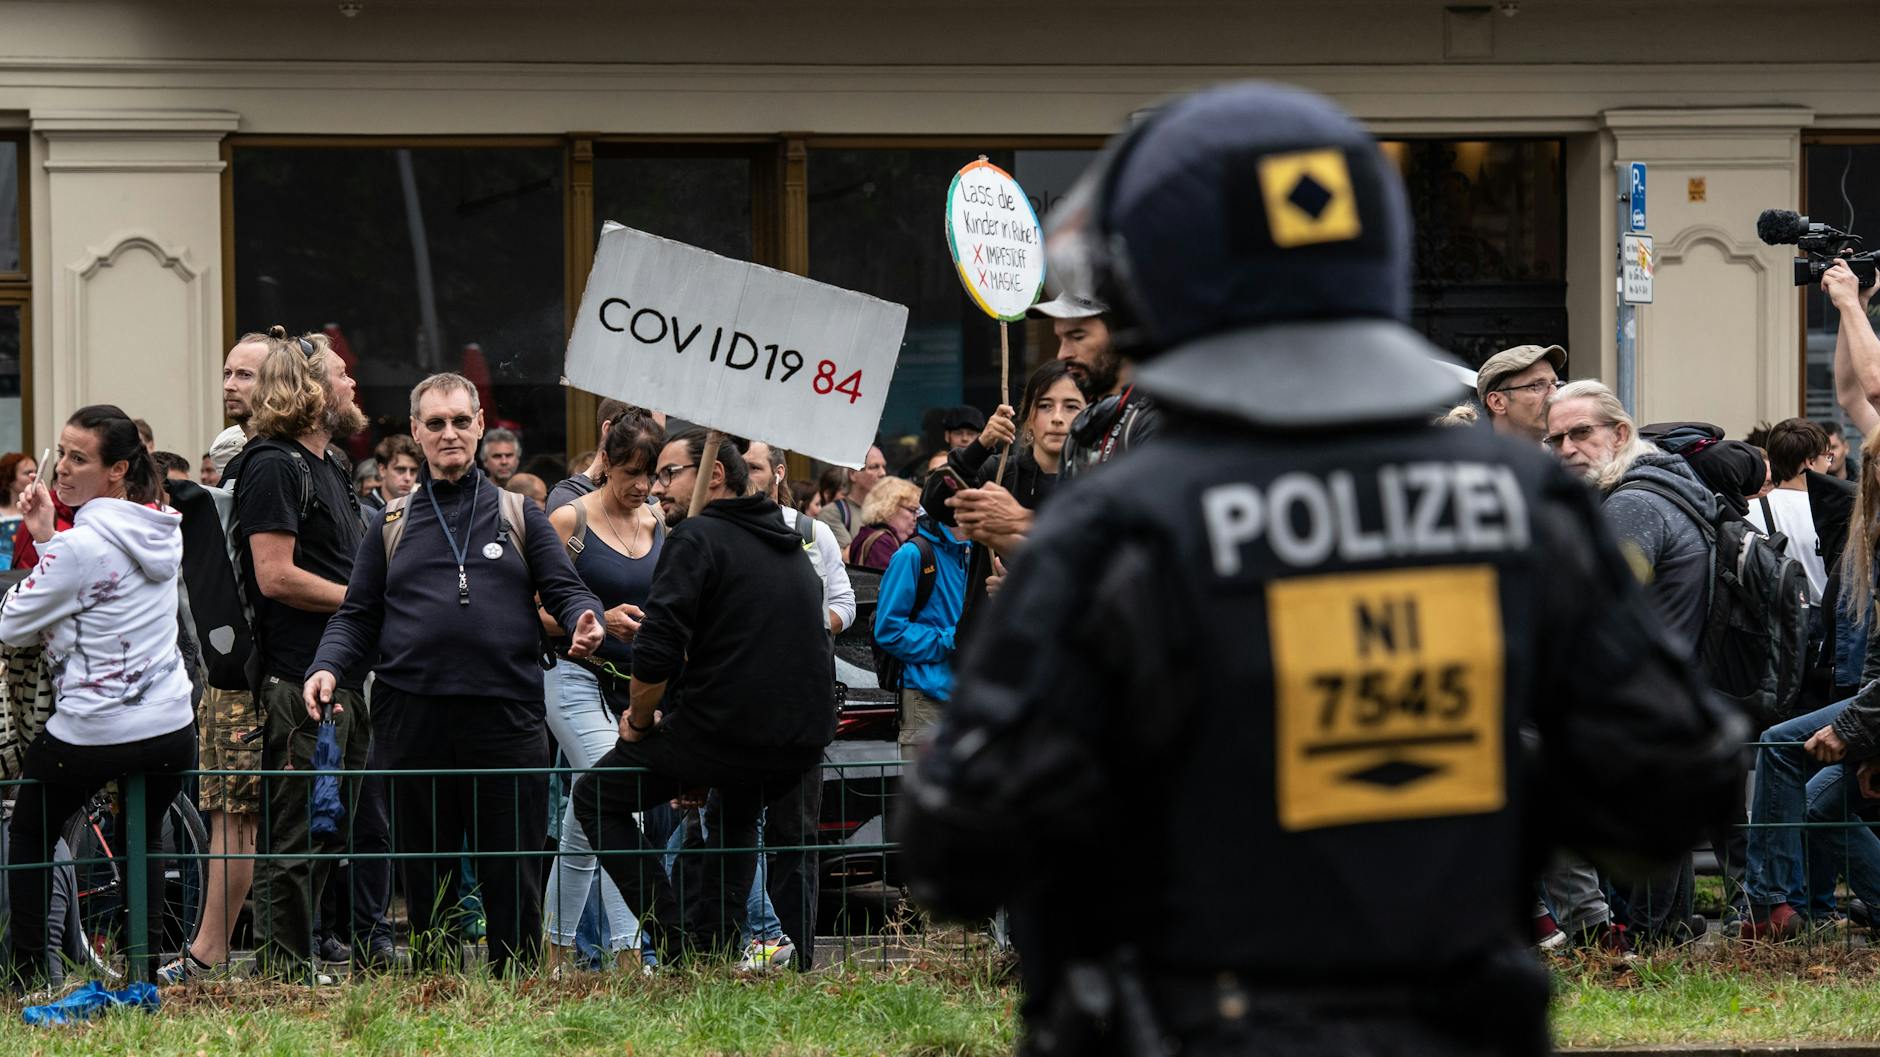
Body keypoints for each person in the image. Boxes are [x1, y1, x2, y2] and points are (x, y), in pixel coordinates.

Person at [898, 82, 1742, 1057]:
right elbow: (1669, 788)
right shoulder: (1520, 499)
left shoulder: (1120, 524)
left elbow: (957, 846)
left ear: (1156, 290)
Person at [305, 372, 604, 978]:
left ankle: (516, 986)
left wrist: (584, 620)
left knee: (511, 864)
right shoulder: (388, 523)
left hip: (508, 717)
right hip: (413, 719)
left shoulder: (522, 513)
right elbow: (357, 614)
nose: (449, 434)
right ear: (415, 432)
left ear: (479, 428)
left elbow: (565, 589)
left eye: (461, 422)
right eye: (435, 423)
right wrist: (326, 666)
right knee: (426, 865)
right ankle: (436, 987)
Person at [572, 427, 834, 964]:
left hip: (729, 729)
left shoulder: (695, 538)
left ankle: (670, 941)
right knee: (735, 812)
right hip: (798, 738)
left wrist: (641, 724)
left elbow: (658, 650)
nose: (656, 488)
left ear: (714, 474)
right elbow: (717, 647)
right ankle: (710, 952)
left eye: (669, 474)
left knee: (597, 798)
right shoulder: (785, 540)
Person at [2, 406, 196, 990]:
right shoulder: (162, 525)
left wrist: (45, 547)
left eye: (78, 458)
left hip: (94, 726)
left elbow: (11, 624)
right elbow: (101, 567)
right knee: (148, 827)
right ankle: (145, 971)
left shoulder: (77, 547)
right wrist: (49, 537)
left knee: (31, 830)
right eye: (61, 452)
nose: (61, 469)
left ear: (116, 471)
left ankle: (31, 972)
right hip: (169, 724)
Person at [1543, 380, 1720, 946]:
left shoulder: (1631, 504)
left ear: (1620, 434)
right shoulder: (1665, 486)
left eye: (1580, 433)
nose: (1566, 448)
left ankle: (1638, 945)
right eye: (1555, 438)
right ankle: (1661, 938)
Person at [226, 331, 371, 982]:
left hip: (341, 674)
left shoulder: (330, 465)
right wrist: (365, 603)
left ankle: (299, 965)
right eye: (341, 375)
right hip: (297, 681)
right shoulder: (275, 464)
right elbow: (276, 576)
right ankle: (283, 978)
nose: (351, 385)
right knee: (293, 841)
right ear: (311, 390)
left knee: (325, 834)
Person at [541, 411, 666, 976]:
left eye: (653, 473)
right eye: (633, 471)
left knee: (584, 816)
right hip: (570, 676)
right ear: (607, 462)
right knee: (618, 799)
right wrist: (592, 618)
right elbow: (529, 606)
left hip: (633, 686)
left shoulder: (658, 520)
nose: (642, 485)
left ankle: (556, 952)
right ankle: (627, 954)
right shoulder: (570, 518)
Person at [875, 480, 969, 761]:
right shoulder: (912, 554)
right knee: (928, 802)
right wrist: (951, 639)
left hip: (969, 697)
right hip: (927, 699)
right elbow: (889, 631)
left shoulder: (975, 552)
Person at [945, 359, 1086, 510]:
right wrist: (980, 446)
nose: (1057, 418)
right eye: (1045, 406)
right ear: (1028, 417)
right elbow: (938, 504)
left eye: (1071, 407)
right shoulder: (998, 471)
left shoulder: (1103, 479)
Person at [1746, 418, 1833, 604]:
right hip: (1820, 621)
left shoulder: (1750, 510)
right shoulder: (1831, 511)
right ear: (1810, 462)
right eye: (1827, 457)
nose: (1829, 464)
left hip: (1768, 619)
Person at [548, 398, 638, 513]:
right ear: (608, 430)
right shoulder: (568, 497)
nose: (654, 444)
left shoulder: (651, 500)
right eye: (646, 431)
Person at [1475, 344, 1565, 443]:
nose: (1554, 394)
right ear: (1497, 402)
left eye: (1555, 384)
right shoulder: (1472, 457)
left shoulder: (1567, 454)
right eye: (1537, 386)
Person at [844, 476, 921, 572]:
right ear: (890, 508)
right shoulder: (881, 543)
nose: (916, 517)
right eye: (912, 510)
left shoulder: (871, 534)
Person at [816, 445, 885, 550]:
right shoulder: (833, 513)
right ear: (853, 474)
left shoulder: (886, 510)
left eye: (884, 466)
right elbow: (849, 558)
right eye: (874, 467)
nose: (883, 473)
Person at [362, 433, 421, 512]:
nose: (408, 477)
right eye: (400, 470)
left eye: (413, 471)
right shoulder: (363, 510)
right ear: (382, 470)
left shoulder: (419, 509)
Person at [0, 452, 37, 568]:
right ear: (9, 478)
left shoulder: (39, 510)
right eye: (28, 473)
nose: (35, 476)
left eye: (36, 471)